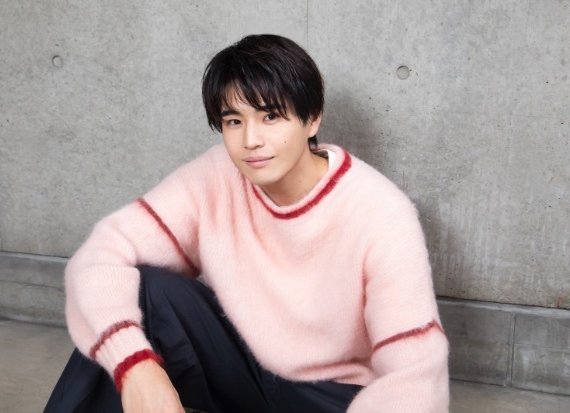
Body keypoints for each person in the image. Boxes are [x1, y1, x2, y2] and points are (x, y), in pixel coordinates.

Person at [45, 34, 449, 413]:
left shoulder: (381, 213)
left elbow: (415, 371)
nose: (250, 140)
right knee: (141, 291)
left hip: (333, 395)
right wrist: (134, 366)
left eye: (270, 116)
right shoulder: (216, 175)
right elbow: (99, 258)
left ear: (312, 120)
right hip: (245, 368)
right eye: (234, 121)